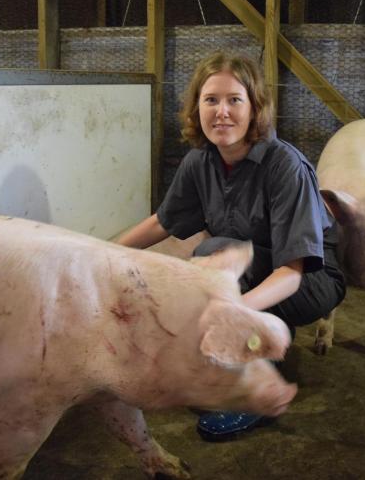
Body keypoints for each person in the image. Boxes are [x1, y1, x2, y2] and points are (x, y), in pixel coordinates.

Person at [115, 51, 345, 441]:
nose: (222, 111)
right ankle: (244, 347)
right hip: (257, 268)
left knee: (213, 255)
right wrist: (102, 254)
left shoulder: (284, 165)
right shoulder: (199, 162)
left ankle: (251, 399)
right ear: (196, 108)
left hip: (311, 280)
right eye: (211, 100)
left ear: (255, 108)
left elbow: (293, 271)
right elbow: (162, 222)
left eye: (234, 100)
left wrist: (231, 309)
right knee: (212, 258)